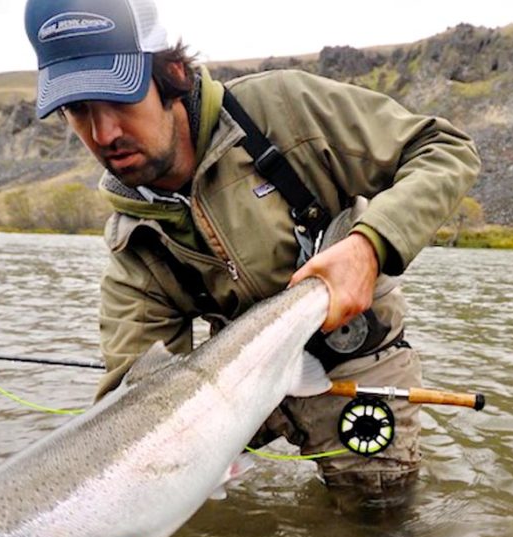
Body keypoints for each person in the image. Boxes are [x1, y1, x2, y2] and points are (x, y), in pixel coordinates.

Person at [24, 0, 481, 509]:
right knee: (156, 509)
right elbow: (130, 407)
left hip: (359, 363)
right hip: (234, 385)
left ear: (172, 72)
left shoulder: (284, 110)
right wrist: (104, 519)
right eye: (79, 110)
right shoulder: (133, 245)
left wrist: (369, 246)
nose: (104, 133)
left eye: (120, 99)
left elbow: (445, 148)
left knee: (379, 523)